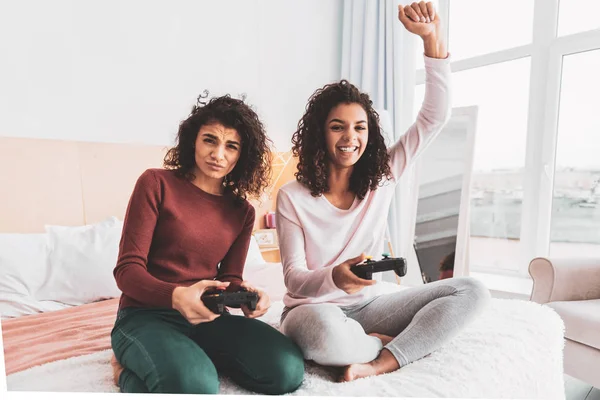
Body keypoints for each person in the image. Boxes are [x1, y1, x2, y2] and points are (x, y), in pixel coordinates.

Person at [275, 2, 490, 382]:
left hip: (368, 306)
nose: (350, 138)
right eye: (337, 127)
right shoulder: (293, 196)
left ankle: (380, 360)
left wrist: (430, 41)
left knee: (471, 292)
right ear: (319, 134)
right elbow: (294, 278)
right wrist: (333, 278)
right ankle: (376, 344)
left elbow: (433, 117)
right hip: (312, 309)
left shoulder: (383, 176)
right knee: (327, 333)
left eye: (359, 128)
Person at [109, 93, 304, 394]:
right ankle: (124, 372)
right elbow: (127, 272)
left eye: (231, 146)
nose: (219, 154)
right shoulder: (156, 184)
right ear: (193, 141)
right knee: (196, 386)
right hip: (145, 316)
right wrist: (176, 296)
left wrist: (249, 295)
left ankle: (194, 358)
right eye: (210, 140)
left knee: (287, 370)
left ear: (243, 155)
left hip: (209, 316)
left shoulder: (242, 212)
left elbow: (229, 280)